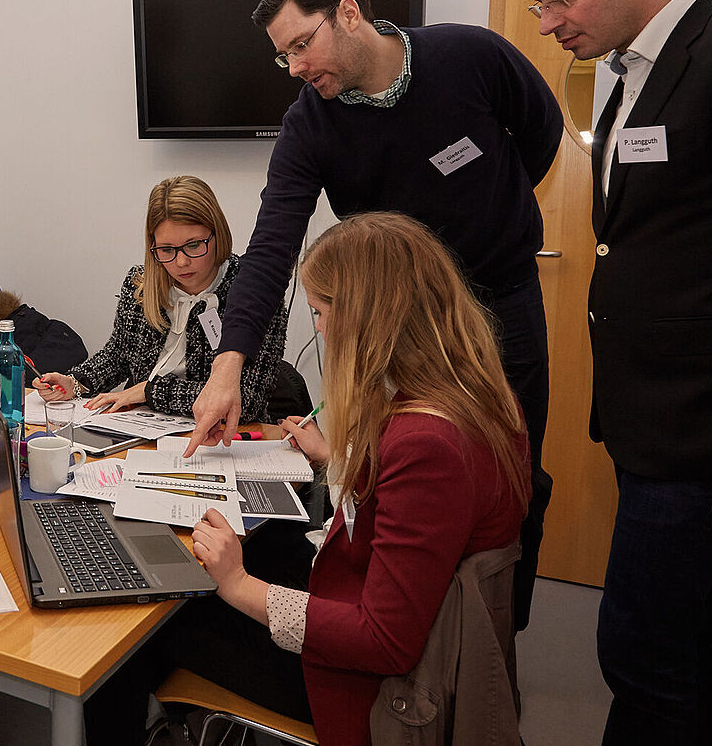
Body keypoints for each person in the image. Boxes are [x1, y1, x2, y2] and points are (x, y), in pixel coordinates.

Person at [188, 0, 562, 630]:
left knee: (511, 478)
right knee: (399, 484)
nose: (297, 67)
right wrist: (229, 361)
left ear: (351, 15)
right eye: (284, 57)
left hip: (501, 304)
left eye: (302, 45)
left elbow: (538, 133)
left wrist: (496, 208)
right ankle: (400, 632)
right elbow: (273, 245)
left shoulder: (469, 56)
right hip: (397, 330)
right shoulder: (312, 123)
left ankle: (491, 641)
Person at [87, 212, 529, 746]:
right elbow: (412, 522)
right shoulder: (467, 399)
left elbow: (382, 641)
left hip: (372, 686)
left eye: (320, 313)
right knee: (260, 547)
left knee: (137, 633)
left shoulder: (428, 447)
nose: (317, 329)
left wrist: (239, 586)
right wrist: (334, 461)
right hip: (375, 604)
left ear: (370, 319)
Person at [521, 0, 712, 745]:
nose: (549, 23)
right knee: (710, 627)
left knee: (639, 648)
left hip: (710, 422)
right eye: (539, 4)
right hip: (651, 420)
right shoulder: (623, 78)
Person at [33, 175, 287, 420]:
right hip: (141, 428)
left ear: (217, 234)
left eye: (194, 245)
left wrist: (148, 392)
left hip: (224, 438)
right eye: (166, 249)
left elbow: (246, 399)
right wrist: (76, 382)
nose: (182, 261)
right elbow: (119, 355)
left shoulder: (255, 291)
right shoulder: (141, 284)